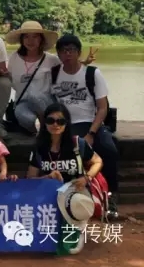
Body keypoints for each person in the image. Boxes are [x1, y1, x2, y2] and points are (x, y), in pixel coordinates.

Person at [51, 34, 119, 217]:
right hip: (65, 125)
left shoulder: (92, 73)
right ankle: (69, 197)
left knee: (109, 149)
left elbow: (102, 108)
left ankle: (111, 196)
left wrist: (91, 133)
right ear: (58, 54)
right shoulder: (54, 73)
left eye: (71, 50)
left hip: (89, 122)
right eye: (63, 50)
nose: (68, 54)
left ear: (78, 52)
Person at [26, 102, 104, 255]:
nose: (55, 125)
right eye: (51, 120)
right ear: (44, 123)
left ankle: (78, 227)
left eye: (60, 121)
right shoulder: (39, 148)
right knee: (49, 245)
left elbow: (98, 161)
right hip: (49, 196)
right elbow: (30, 179)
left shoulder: (78, 144)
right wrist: (47, 177)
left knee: (68, 248)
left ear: (66, 124)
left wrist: (86, 178)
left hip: (75, 194)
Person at [6, 21, 61, 134]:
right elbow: (11, 80)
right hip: (23, 102)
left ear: (41, 39)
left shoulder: (52, 60)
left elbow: (67, 73)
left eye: (35, 37)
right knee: (26, 118)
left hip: (46, 101)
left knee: (34, 94)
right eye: (26, 37)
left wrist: (82, 63)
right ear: (22, 39)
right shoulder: (14, 58)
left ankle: (46, 127)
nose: (30, 41)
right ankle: (36, 133)